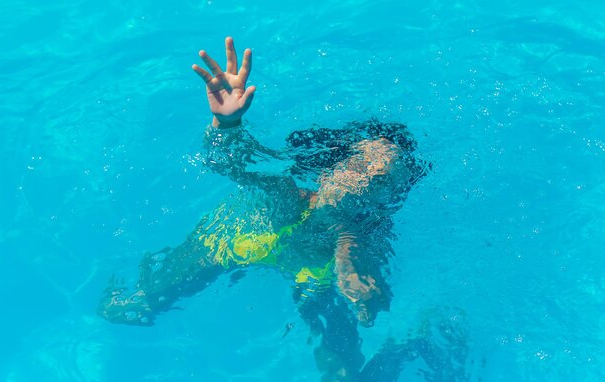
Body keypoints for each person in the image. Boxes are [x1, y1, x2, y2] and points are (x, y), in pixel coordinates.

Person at [98, 37, 467, 381]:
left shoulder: (369, 227)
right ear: (332, 167)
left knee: (344, 374)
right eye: (362, 167)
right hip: (249, 234)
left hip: (315, 268)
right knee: (137, 304)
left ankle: (405, 348)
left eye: (382, 181)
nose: (365, 183)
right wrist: (227, 123)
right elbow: (230, 163)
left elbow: (354, 262)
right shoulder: (287, 190)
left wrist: (358, 284)